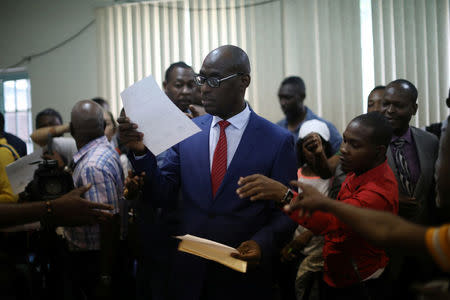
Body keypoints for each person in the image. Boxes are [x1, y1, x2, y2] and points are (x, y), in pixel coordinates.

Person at [118, 45, 297, 300]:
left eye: (213, 80)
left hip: (244, 276)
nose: (203, 88)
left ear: (243, 81)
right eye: (202, 79)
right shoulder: (188, 131)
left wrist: (262, 242)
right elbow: (164, 194)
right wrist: (140, 153)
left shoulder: (277, 141)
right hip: (189, 275)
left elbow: (289, 211)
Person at [246, 112, 398, 299]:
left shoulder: (377, 192)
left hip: (359, 281)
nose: (343, 149)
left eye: (354, 145)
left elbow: (332, 222)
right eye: (344, 141)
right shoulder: (360, 168)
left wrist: (284, 195)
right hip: (337, 271)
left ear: (379, 151)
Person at [63, 100, 124, 300]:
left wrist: (104, 276)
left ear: (71, 129)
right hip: (98, 256)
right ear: (103, 126)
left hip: (94, 259)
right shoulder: (105, 152)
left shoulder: (92, 165)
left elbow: (108, 222)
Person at [276, 76, 342, 154]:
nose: (282, 103)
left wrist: (326, 165)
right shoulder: (277, 129)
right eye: (280, 97)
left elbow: (341, 154)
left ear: (302, 96)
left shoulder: (324, 127)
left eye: (288, 97)